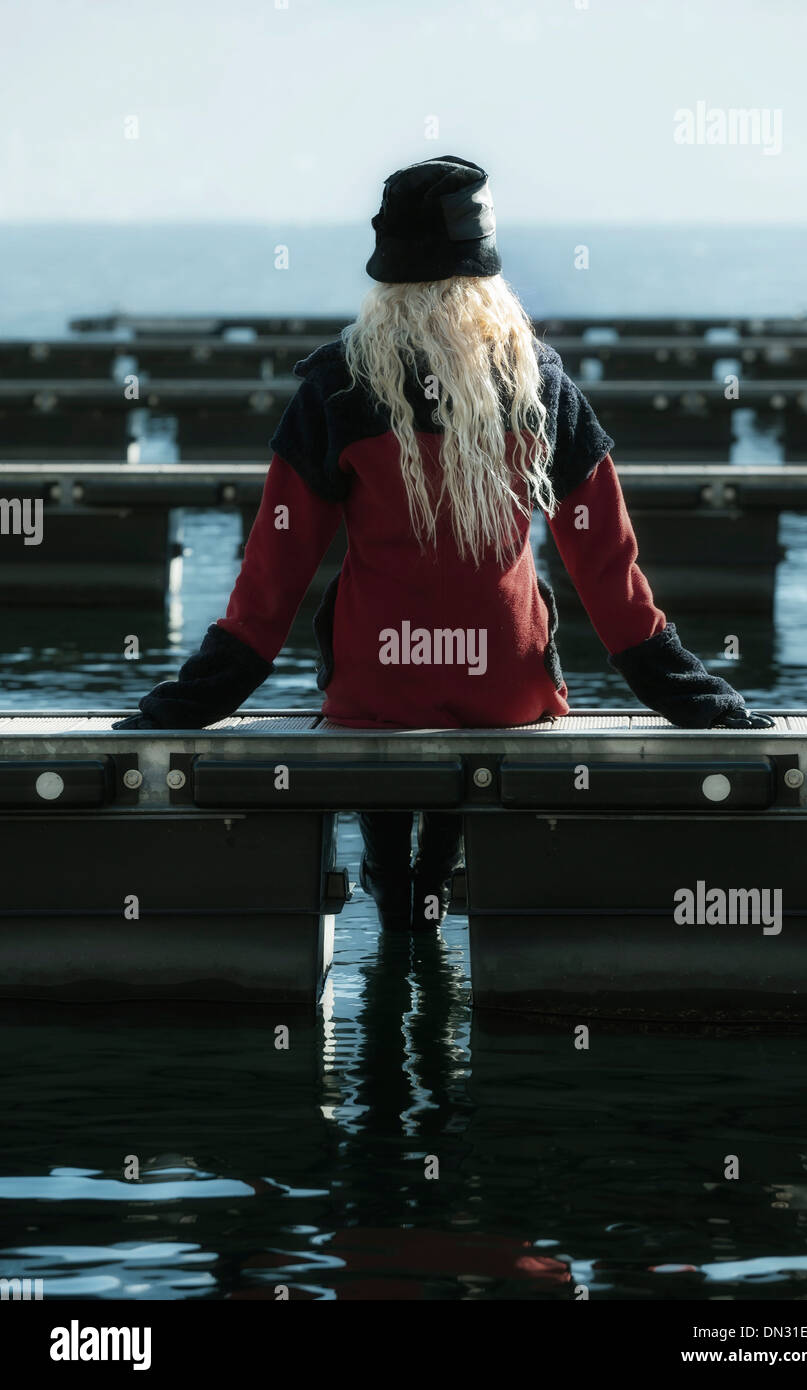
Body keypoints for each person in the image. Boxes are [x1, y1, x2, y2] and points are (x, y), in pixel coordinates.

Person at [113, 155, 771, 931]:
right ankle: (442, 874)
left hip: (378, 686)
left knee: (386, 804)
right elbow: (613, 583)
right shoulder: (540, 384)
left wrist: (177, 710)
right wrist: (706, 703)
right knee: (488, 716)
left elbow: (268, 589)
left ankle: (395, 888)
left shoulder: (338, 386)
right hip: (508, 691)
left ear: (386, 276)